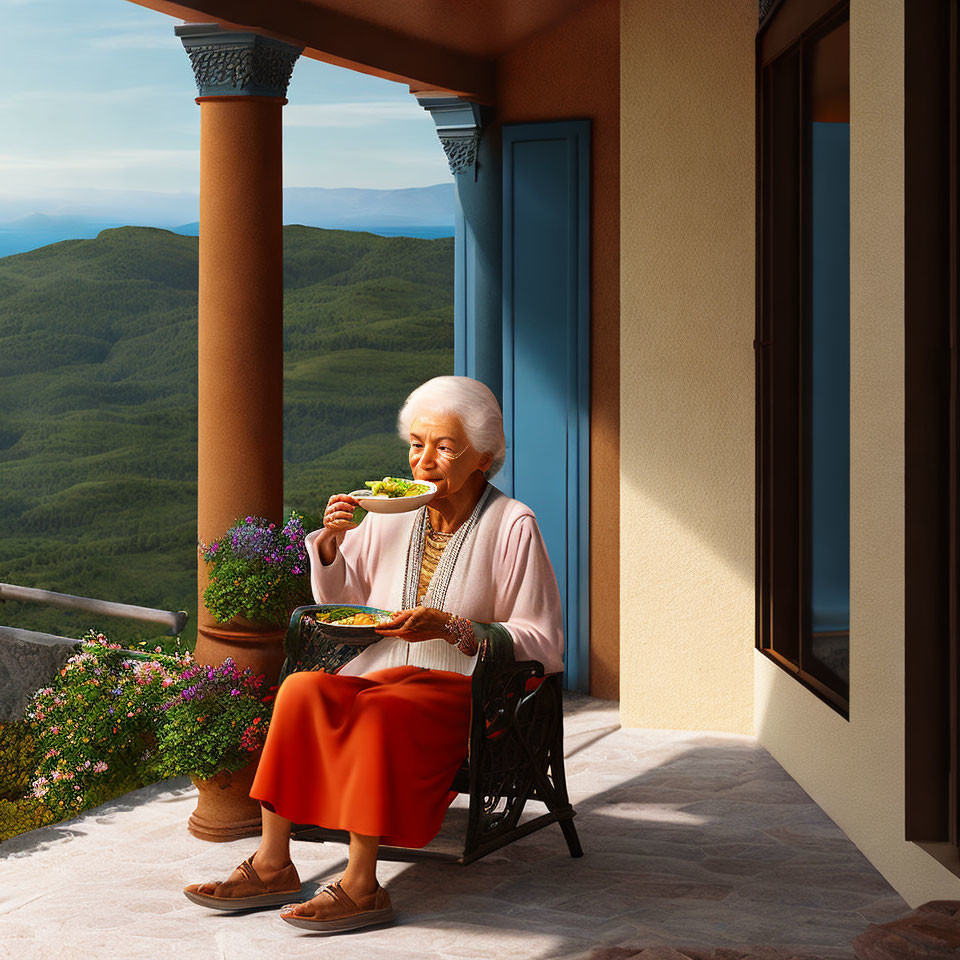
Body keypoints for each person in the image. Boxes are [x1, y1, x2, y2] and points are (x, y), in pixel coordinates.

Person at [182, 375, 564, 932]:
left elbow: (542, 639)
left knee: (377, 714)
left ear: (484, 456)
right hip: (382, 672)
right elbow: (346, 599)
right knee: (300, 689)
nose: (424, 461)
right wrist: (333, 547)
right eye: (416, 444)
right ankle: (273, 862)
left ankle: (362, 886)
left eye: (444, 447)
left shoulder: (513, 524)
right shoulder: (393, 510)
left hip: (465, 690)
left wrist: (455, 628)